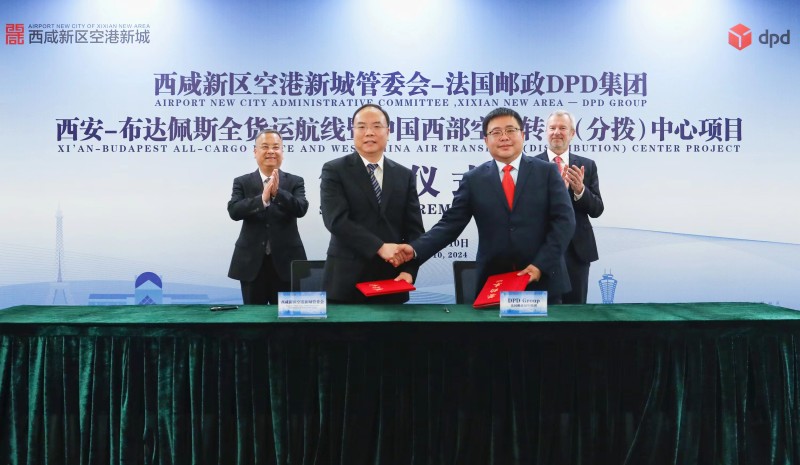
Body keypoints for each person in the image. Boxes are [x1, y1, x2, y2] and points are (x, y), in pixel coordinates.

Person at [394, 107, 575, 305]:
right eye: (496, 132)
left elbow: (564, 222)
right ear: (486, 140)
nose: (504, 137)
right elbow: (449, 225)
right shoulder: (474, 179)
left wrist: (540, 265)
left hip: (544, 281)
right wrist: (415, 249)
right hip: (494, 283)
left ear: (523, 135)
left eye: (510, 130)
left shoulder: (547, 172)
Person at [320, 103, 424, 303]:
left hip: (392, 279)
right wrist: (379, 247)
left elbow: (415, 230)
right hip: (345, 280)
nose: (369, 132)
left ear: (388, 132)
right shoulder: (334, 170)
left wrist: (410, 271)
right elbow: (337, 221)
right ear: (353, 131)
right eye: (361, 126)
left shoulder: (404, 175)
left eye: (377, 126)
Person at [227, 128, 309, 304]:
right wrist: (262, 199)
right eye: (265, 147)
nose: (271, 151)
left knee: (287, 317)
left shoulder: (295, 181)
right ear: (255, 152)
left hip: (287, 262)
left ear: (282, 152)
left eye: (276, 147)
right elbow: (234, 211)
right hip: (251, 263)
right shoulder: (242, 182)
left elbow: (301, 208)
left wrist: (278, 193)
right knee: (253, 317)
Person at [535, 110, 604, 304]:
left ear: (572, 133)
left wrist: (580, 190)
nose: (557, 132)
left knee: (576, 311)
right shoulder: (531, 165)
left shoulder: (586, 165)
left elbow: (597, 209)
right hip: (542, 250)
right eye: (552, 128)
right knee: (544, 310)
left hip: (577, 251)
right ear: (546, 132)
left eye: (562, 128)